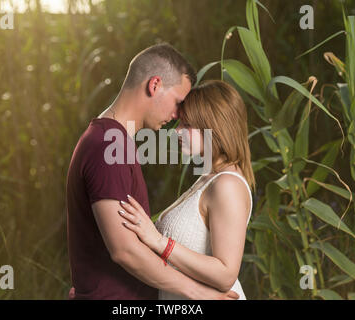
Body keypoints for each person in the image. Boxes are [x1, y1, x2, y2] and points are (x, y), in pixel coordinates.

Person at [66, 43, 240, 300]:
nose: (178, 114)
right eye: (178, 102)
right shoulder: (108, 144)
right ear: (154, 85)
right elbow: (124, 250)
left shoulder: (113, 142)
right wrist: (199, 293)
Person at [118, 80, 255, 299]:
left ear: (215, 127)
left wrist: (159, 241)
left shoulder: (227, 185)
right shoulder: (208, 179)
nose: (177, 132)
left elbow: (226, 273)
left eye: (187, 125)